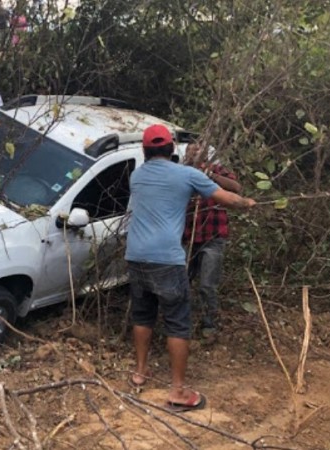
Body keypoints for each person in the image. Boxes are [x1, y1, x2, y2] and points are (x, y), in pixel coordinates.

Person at [125, 124, 255, 411]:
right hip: (166, 259)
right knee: (177, 322)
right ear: (173, 149)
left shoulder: (137, 176)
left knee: (143, 314)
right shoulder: (187, 174)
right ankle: (178, 391)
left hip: (135, 256)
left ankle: (140, 372)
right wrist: (247, 203)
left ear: (145, 150)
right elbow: (229, 199)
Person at [183, 142, 242, 340]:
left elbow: (236, 188)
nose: (194, 152)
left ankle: (209, 323)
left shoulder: (217, 171)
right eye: (191, 149)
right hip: (187, 235)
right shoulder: (181, 173)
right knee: (183, 280)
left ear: (206, 153)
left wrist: (210, 176)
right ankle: (184, 322)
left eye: (198, 149)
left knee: (207, 284)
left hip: (213, 237)